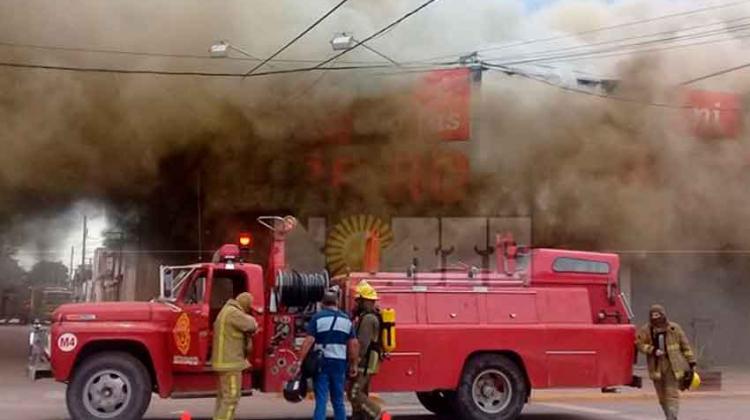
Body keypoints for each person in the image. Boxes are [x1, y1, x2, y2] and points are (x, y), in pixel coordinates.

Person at [298, 290, 359, 420]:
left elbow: (309, 341)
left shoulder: (317, 318)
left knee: (321, 400)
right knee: (338, 401)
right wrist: (354, 364)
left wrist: (299, 361)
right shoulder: (346, 319)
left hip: (322, 363)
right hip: (339, 364)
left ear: (322, 303)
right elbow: (353, 344)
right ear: (336, 302)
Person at [636, 304, 696, 420]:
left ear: (663, 315)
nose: (655, 318)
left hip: (672, 367)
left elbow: (685, 346)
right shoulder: (646, 330)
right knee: (662, 397)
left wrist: (691, 362)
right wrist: (652, 350)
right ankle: (669, 415)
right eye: (653, 315)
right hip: (656, 368)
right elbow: (639, 344)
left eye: (657, 315)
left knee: (672, 394)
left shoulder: (674, 329)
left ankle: (672, 417)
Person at [211, 292, 258, 420]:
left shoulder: (226, 311)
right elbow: (251, 325)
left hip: (223, 364)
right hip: (230, 365)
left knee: (223, 399)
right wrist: (253, 319)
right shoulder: (234, 313)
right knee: (231, 399)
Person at [348, 280, 391, 420]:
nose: (356, 304)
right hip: (369, 362)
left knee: (354, 393)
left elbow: (362, 343)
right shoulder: (371, 316)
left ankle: (380, 415)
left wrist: (355, 361)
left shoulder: (368, 319)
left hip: (364, 364)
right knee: (362, 393)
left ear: (365, 301)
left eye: (358, 301)